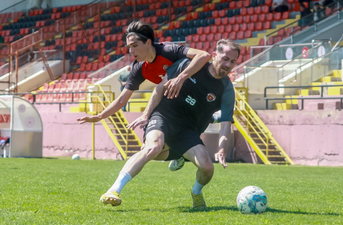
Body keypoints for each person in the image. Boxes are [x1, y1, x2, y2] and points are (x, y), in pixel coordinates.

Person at [96, 39, 240, 209]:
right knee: (152, 147)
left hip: (188, 131)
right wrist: (146, 114)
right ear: (215, 56)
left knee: (207, 168)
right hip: (164, 115)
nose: (228, 65)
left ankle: (196, 192)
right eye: (225, 59)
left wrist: (222, 148)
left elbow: (225, 124)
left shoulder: (227, 89)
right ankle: (113, 190)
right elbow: (159, 88)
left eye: (232, 61)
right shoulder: (188, 64)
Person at [77, 20, 211, 123]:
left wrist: (180, 78)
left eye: (135, 45)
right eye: (129, 47)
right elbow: (122, 99)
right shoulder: (139, 68)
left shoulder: (168, 51)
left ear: (148, 42)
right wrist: (100, 116)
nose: (131, 51)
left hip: (204, 91)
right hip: (178, 101)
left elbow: (204, 55)